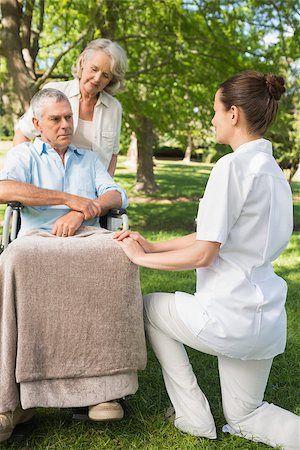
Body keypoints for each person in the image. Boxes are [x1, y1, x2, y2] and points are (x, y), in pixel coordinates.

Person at [113, 70, 300, 449]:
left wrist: (138, 258)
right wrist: (152, 245)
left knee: (150, 307)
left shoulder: (230, 167)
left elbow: (204, 252)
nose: (212, 119)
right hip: (264, 321)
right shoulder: (275, 174)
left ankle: (193, 415)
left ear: (233, 114)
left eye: (215, 110)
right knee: (247, 415)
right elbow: (211, 234)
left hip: (228, 317)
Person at [0, 88, 129, 441]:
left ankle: (105, 389)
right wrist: (69, 199)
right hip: (36, 242)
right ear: (38, 123)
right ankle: (10, 402)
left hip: (85, 239)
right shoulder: (25, 154)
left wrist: (83, 211)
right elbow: (3, 188)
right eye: (56, 119)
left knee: (120, 253)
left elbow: (116, 194)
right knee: (16, 259)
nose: (65, 125)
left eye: (69, 117)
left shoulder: (87, 158)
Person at [13, 38, 127, 177]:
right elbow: (23, 133)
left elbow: (113, 155)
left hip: (93, 191)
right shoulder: (53, 91)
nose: (97, 79)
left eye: (105, 75)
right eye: (94, 69)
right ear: (83, 62)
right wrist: (23, 175)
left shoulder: (114, 108)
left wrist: (105, 187)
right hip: (51, 185)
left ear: (111, 79)